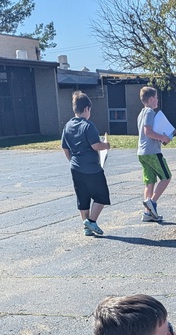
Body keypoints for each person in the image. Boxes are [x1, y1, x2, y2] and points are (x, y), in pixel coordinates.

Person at [61, 90, 111, 237]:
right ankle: (91, 221)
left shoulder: (68, 126)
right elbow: (96, 146)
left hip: (75, 167)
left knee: (82, 197)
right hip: (92, 168)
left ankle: (86, 227)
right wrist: (106, 145)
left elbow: (65, 147)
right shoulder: (88, 126)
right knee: (102, 196)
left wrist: (71, 160)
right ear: (87, 108)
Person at [137, 87, 172, 223]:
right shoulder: (150, 112)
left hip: (142, 153)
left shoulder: (141, 113)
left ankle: (148, 213)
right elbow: (148, 132)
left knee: (149, 181)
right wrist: (163, 137)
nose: (157, 100)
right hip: (152, 152)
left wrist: (160, 138)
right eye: (156, 98)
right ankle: (152, 203)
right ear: (151, 99)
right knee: (167, 176)